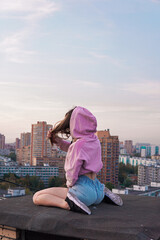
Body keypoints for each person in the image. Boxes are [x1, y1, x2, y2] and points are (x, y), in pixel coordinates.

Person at [33, 106, 123, 215]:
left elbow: (72, 171)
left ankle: (68, 204)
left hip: (83, 191)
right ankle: (103, 192)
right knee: (94, 193)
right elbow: (74, 149)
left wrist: (70, 186)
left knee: (37, 197)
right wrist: (57, 141)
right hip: (97, 189)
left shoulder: (79, 145)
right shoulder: (94, 141)